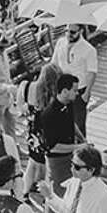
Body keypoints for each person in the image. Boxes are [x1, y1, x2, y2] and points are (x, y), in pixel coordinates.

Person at [50, 23, 98, 135]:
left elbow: (92, 72)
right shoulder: (60, 43)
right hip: (62, 90)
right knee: (60, 121)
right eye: (66, 31)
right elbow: (54, 64)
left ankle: (81, 148)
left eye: (72, 32)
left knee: (78, 123)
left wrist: (86, 94)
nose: (68, 34)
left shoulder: (89, 49)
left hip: (79, 91)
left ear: (81, 31)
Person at [22, 63, 63, 193]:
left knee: (32, 163)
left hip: (32, 133)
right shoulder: (56, 96)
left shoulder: (27, 87)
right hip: (48, 134)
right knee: (47, 166)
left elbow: (20, 108)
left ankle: (24, 193)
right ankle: (47, 196)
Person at [39, 72, 83, 191]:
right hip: (57, 162)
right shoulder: (49, 115)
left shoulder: (69, 104)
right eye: (75, 90)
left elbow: (71, 122)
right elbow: (53, 147)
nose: (77, 93)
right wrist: (78, 146)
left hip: (70, 157)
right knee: (59, 194)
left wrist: (81, 137)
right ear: (64, 91)